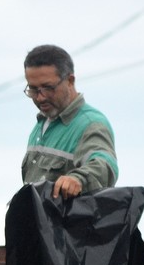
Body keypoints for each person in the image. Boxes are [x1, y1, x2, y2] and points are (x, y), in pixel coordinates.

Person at [20, 44, 118, 200]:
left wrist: (78, 179)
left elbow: (104, 165)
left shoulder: (90, 124)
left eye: (48, 88)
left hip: (70, 224)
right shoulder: (42, 122)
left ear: (70, 81)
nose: (40, 97)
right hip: (37, 223)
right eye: (33, 89)